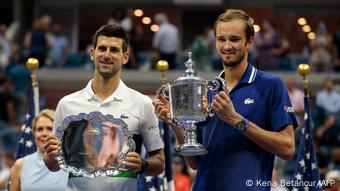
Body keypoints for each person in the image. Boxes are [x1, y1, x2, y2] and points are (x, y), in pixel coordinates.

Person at [153, 9, 298, 191]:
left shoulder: (272, 85)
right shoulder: (206, 89)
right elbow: (195, 162)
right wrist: (175, 122)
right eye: (221, 39)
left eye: (235, 39)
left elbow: (287, 148)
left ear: (249, 42)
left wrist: (236, 120)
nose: (227, 45)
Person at [43, 23, 165, 191]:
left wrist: (143, 165)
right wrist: (50, 156)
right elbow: (53, 165)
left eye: (114, 50)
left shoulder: (142, 103)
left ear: (125, 57)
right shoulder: (66, 104)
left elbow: (159, 162)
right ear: (92, 54)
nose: (107, 55)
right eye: (102, 48)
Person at [10, 109, 68, 191]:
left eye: (50, 128)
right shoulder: (20, 165)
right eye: (40, 129)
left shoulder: (71, 162)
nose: (44, 133)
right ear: (34, 133)